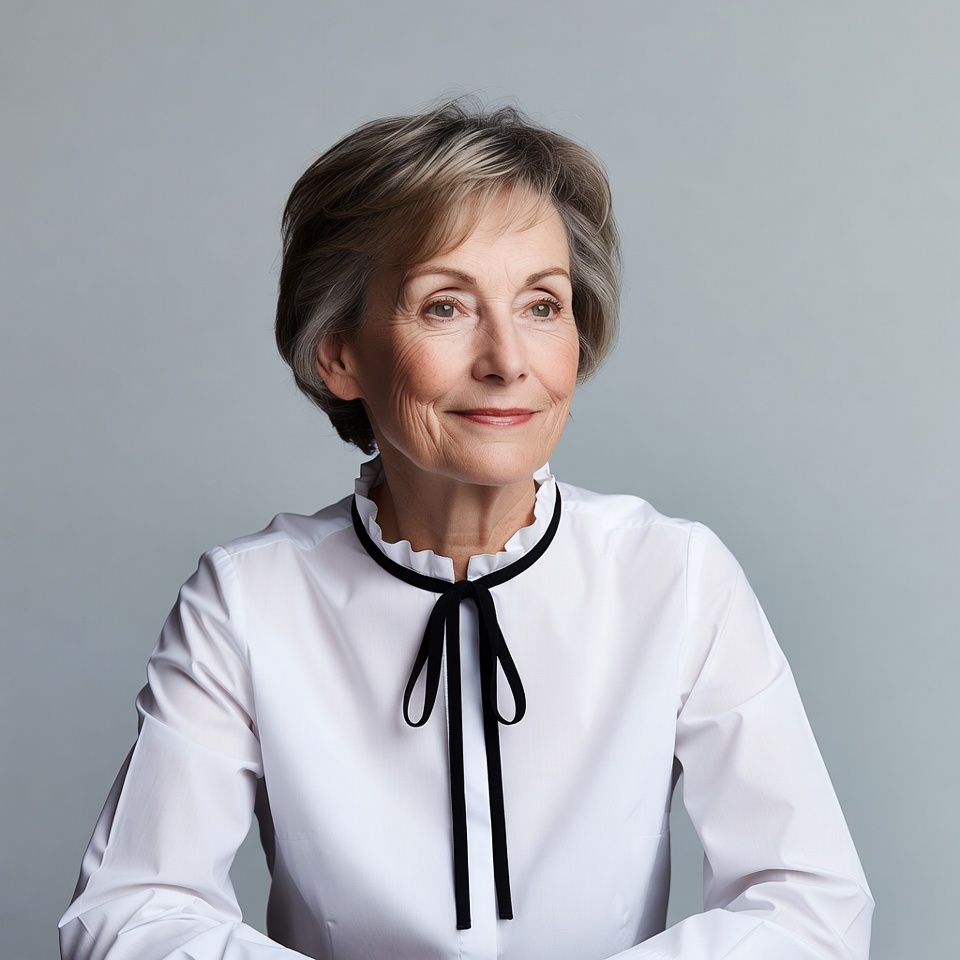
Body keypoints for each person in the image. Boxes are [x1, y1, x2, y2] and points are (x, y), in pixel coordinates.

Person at [59, 100, 873, 960]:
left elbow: (808, 906)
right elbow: (131, 914)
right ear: (339, 354)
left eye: (542, 306)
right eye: (446, 306)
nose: (508, 361)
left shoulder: (676, 575)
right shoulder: (246, 600)